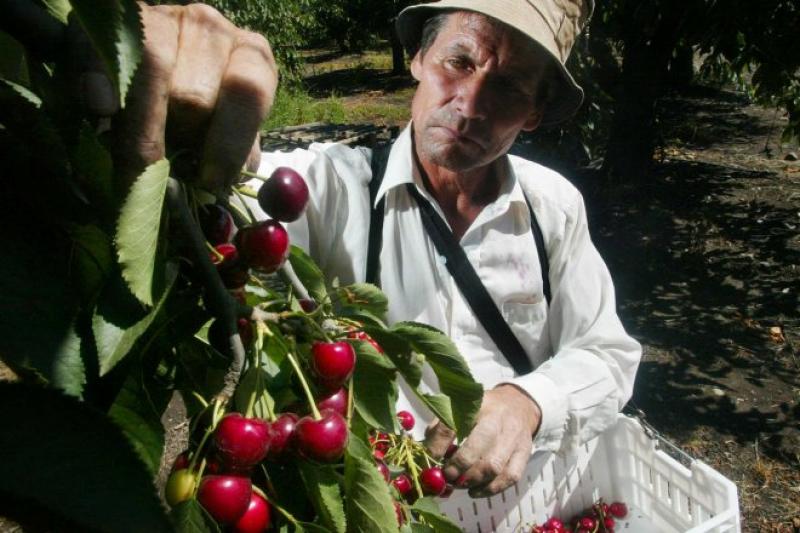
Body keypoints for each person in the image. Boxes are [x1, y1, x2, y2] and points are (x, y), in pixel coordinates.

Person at [114, 0, 641, 500]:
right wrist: (165, 99)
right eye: (459, 62)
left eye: (507, 86)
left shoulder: (553, 205)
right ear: (417, 58)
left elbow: (607, 352)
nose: (471, 103)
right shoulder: (331, 188)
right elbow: (221, 207)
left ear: (534, 112)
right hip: (381, 498)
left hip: (519, 497)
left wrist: (529, 403)